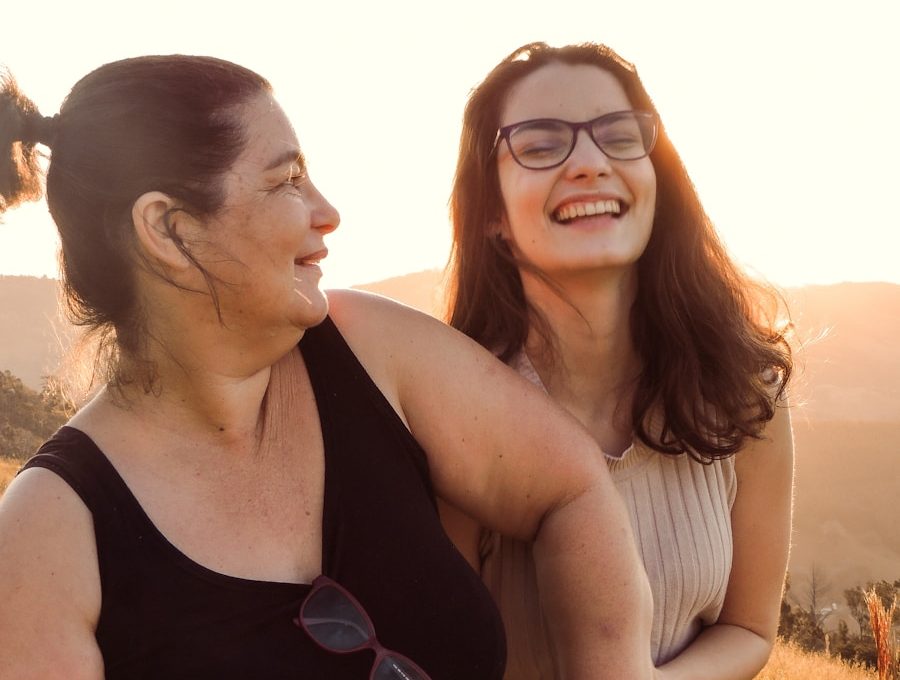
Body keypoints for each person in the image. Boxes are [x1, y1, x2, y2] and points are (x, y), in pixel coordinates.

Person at [0, 56, 656, 679]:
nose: (327, 212)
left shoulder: (369, 347)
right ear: (170, 231)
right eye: (286, 180)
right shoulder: (47, 531)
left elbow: (572, 491)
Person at [440, 41, 795, 680]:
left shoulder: (745, 392)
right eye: (542, 144)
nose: (589, 164)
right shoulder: (454, 413)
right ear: (492, 212)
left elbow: (749, 627)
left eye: (618, 135)